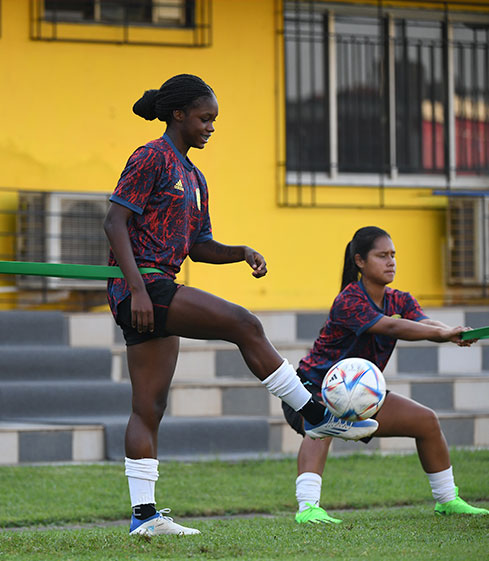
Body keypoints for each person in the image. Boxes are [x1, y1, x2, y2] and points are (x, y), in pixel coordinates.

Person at [103, 74, 378, 537]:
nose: (211, 127)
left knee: (148, 407)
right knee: (243, 323)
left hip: (156, 288)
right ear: (178, 115)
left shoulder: (194, 176)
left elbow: (198, 245)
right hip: (143, 289)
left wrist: (240, 252)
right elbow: (114, 222)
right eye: (204, 118)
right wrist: (137, 289)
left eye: (214, 120)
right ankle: (314, 414)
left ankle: (144, 517)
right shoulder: (151, 156)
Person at [283, 226, 489, 525]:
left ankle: (447, 501)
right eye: (382, 256)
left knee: (426, 421)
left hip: (362, 393)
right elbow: (393, 327)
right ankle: (308, 509)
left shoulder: (400, 300)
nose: (391, 261)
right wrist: (445, 334)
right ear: (360, 261)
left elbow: (422, 321)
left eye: (393, 255)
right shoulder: (349, 300)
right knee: (323, 423)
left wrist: (447, 331)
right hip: (309, 391)